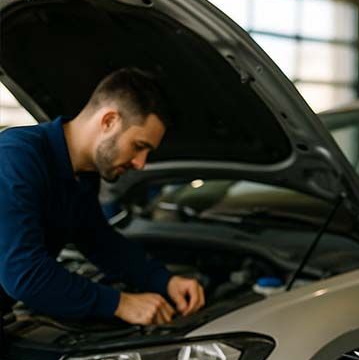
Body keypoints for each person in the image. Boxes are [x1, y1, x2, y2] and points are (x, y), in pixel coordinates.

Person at [0, 67, 205, 325]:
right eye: (139, 146)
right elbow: (24, 274)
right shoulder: (16, 157)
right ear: (109, 121)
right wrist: (119, 303)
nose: (141, 163)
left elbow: (98, 240)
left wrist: (165, 280)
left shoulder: (83, 175)